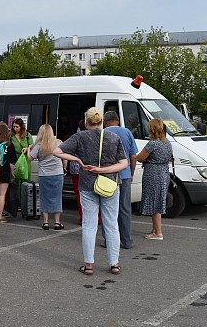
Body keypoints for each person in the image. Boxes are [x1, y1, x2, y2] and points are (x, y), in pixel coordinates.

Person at [54, 107, 127, 276]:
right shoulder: (113, 137)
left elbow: (56, 151)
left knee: (89, 225)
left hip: (87, 184)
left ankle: (88, 265)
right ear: (101, 121)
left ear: (86, 122)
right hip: (109, 184)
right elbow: (123, 163)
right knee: (111, 224)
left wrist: (78, 160)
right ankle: (114, 263)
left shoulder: (79, 137)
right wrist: (104, 170)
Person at [101, 111, 138, 249]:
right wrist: (131, 172)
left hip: (108, 176)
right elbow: (133, 156)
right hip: (125, 174)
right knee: (125, 209)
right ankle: (127, 241)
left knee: (108, 209)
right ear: (117, 120)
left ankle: (108, 240)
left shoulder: (102, 133)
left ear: (105, 121)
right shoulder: (127, 132)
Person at [137, 119, 173, 241]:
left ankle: (158, 232)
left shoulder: (152, 143)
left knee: (155, 202)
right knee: (158, 200)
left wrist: (134, 156)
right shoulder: (167, 142)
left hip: (153, 173)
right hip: (164, 172)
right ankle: (154, 229)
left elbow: (140, 158)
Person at [27, 124, 65, 230]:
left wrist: (29, 149)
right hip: (58, 173)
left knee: (44, 197)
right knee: (57, 197)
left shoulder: (39, 145)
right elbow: (64, 157)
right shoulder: (58, 143)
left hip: (44, 174)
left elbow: (30, 158)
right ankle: (57, 222)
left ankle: (46, 222)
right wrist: (65, 168)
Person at [0, 122, 16, 224]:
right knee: (2, 195)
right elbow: (12, 162)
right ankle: (0, 216)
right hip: (5, 171)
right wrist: (12, 175)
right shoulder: (9, 145)